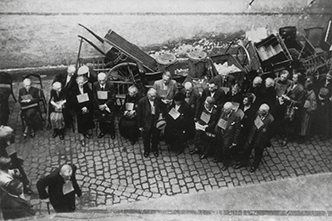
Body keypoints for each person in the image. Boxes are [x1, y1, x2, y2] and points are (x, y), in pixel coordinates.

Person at [235, 104, 274, 172]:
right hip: (252, 135)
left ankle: (255, 165)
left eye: (261, 111)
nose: (259, 111)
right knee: (246, 149)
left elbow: (272, 132)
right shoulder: (258, 113)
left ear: (265, 112)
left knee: (258, 153)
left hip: (261, 139)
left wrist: (265, 139)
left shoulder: (271, 119)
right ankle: (243, 162)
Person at [0, 127, 33, 195]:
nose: (11, 136)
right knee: (14, 177)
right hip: (7, 163)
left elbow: (12, 149)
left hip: (13, 159)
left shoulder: (11, 139)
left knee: (20, 174)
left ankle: (26, 187)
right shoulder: (1, 145)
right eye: (9, 135)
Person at [214, 102, 241, 171]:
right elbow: (220, 119)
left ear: (231, 109)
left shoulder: (236, 116)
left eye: (226, 110)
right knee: (219, 146)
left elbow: (238, 130)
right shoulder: (223, 111)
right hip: (221, 133)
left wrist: (235, 141)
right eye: (224, 109)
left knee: (226, 150)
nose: (224, 111)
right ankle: (218, 158)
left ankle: (226, 163)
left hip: (228, 136)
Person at [137, 88, 164, 158]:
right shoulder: (142, 102)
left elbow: (162, 107)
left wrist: (161, 115)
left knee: (156, 137)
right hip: (146, 123)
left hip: (155, 121)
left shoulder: (157, 99)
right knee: (146, 138)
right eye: (152, 96)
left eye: (155, 96)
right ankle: (147, 150)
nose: (154, 98)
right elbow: (139, 114)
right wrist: (140, 126)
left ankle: (155, 149)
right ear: (148, 95)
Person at [280, 72, 305, 146]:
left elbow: (300, 103)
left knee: (289, 124)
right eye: (293, 77)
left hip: (292, 109)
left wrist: (289, 100)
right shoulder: (291, 84)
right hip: (285, 106)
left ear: (299, 79)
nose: (292, 79)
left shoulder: (301, 89)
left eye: (295, 78)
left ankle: (286, 138)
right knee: (284, 121)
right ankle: (283, 133)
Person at [71, 76, 95, 146]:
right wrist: (81, 107)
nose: (81, 84)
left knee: (88, 118)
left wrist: (86, 107)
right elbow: (74, 101)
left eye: (82, 83)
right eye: (79, 83)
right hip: (79, 108)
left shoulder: (87, 88)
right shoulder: (74, 90)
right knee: (80, 121)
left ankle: (87, 131)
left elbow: (90, 98)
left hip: (87, 107)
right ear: (77, 82)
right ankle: (81, 135)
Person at [51, 65, 77, 129]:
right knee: (51, 106)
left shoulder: (74, 77)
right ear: (68, 71)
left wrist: (65, 99)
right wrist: (57, 88)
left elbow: (74, 90)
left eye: (74, 72)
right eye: (72, 72)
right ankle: (52, 123)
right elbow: (55, 83)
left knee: (66, 108)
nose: (73, 74)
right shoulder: (61, 75)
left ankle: (66, 122)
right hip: (58, 93)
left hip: (68, 96)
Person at [92, 72, 115, 139]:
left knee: (110, 119)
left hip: (108, 105)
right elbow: (94, 96)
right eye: (100, 80)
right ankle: (103, 131)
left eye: (103, 80)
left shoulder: (111, 85)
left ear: (106, 79)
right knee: (101, 119)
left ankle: (112, 132)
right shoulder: (95, 85)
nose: (102, 82)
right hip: (99, 105)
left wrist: (105, 105)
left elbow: (113, 97)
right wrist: (99, 105)